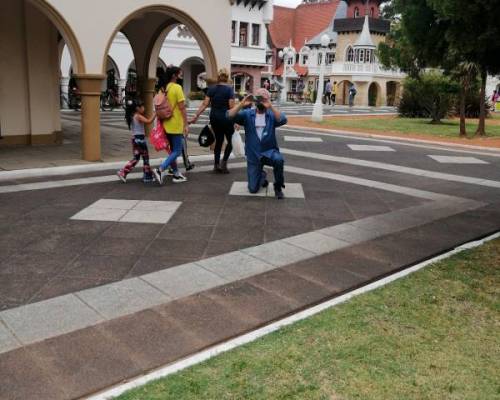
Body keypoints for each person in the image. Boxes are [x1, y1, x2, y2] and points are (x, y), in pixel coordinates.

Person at [227, 88, 288, 199]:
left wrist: (271, 106)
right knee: (253, 189)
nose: (261, 101)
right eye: (259, 98)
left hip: (269, 152)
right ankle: (262, 175)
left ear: (268, 100)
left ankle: (278, 186)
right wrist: (241, 104)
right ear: (255, 100)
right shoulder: (247, 114)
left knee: (279, 160)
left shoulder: (271, 115)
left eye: (264, 99)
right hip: (253, 154)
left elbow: (283, 120)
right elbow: (229, 116)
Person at [190, 68, 236, 173]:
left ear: (218, 78)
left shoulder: (212, 89)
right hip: (226, 119)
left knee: (219, 141)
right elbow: (231, 107)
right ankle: (224, 163)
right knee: (230, 141)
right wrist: (236, 121)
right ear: (227, 77)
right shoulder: (229, 90)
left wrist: (196, 115)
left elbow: (204, 104)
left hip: (214, 118)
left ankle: (216, 164)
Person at [152, 66, 189, 185]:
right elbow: (182, 108)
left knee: (172, 150)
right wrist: (186, 124)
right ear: (174, 75)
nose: (181, 75)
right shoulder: (177, 88)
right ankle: (160, 169)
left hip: (165, 123)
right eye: (179, 73)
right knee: (177, 151)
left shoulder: (163, 88)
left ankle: (176, 173)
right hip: (175, 123)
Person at [117, 99, 155, 183]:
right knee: (145, 158)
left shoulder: (132, 115)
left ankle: (123, 172)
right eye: (142, 107)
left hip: (135, 139)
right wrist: (155, 114)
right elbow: (149, 121)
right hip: (140, 140)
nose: (144, 108)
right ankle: (147, 176)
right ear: (137, 108)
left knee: (136, 158)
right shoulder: (138, 116)